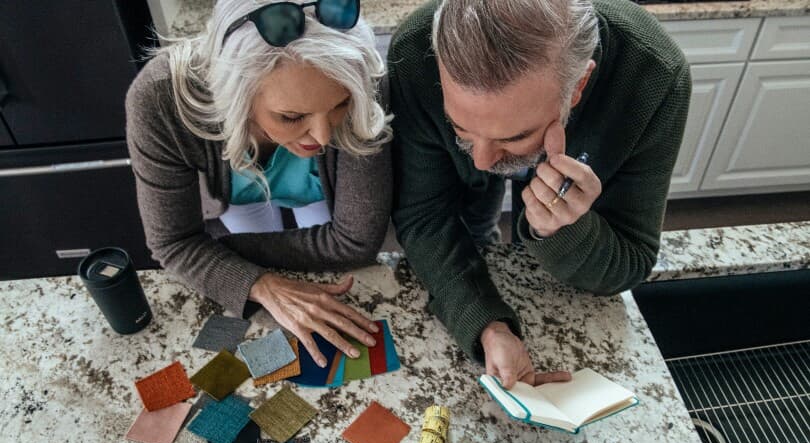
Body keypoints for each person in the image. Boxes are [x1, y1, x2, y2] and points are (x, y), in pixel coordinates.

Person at [388, 0, 690, 388]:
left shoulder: (655, 76)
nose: (481, 160)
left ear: (579, 84)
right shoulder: (413, 52)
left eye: (514, 135)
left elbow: (629, 262)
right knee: (476, 214)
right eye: (458, 126)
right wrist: (487, 324)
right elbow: (424, 217)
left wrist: (564, 229)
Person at [126, 0, 393, 366]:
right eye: (292, 116)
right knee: (270, 283)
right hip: (244, 196)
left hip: (315, 196)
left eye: (340, 104)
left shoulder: (358, 73)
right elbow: (171, 243)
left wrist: (213, 254)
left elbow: (353, 241)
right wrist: (258, 284)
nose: (323, 134)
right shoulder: (157, 98)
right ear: (237, 93)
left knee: (323, 264)